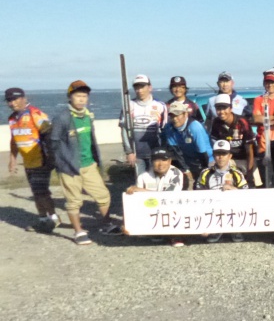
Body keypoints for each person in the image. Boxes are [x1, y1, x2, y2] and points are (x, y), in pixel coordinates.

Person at [50, 80, 118, 245]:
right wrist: (62, 163)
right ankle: (78, 231)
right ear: (70, 97)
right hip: (70, 167)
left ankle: (106, 224)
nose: (81, 99)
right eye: (78, 96)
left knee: (103, 195)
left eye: (84, 96)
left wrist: (95, 161)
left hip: (89, 165)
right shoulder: (62, 117)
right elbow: (53, 142)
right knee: (74, 201)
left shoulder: (88, 116)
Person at [6, 87, 59, 232]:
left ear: (24, 98)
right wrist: (12, 159)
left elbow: (50, 134)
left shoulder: (36, 114)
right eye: (9, 100)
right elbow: (14, 140)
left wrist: (52, 158)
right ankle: (43, 219)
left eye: (15, 99)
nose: (12, 103)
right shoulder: (12, 119)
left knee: (41, 191)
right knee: (36, 191)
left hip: (41, 160)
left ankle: (53, 218)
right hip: (28, 161)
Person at [125, 147, 185, 247]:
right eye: (157, 160)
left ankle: (176, 234)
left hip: (171, 206)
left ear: (170, 161)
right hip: (153, 208)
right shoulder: (143, 176)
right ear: (151, 161)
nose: (160, 164)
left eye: (164, 160)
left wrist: (143, 191)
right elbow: (137, 201)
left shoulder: (176, 173)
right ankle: (155, 231)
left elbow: (169, 196)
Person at [195, 140, 247, 243]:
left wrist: (234, 189)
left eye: (224, 154)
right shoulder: (205, 173)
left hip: (233, 209)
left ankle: (236, 229)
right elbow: (198, 195)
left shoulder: (237, 173)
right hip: (212, 208)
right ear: (213, 155)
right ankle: (215, 228)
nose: (221, 157)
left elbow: (247, 195)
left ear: (230, 156)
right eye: (218, 154)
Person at [120, 74, 168, 176]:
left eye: (142, 87)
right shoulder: (128, 106)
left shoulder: (160, 106)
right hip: (137, 155)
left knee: (156, 180)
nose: (139, 90)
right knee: (141, 182)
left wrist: (164, 153)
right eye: (136, 87)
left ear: (150, 88)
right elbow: (124, 130)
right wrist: (129, 152)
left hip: (155, 154)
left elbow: (165, 130)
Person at [161, 100, 214, 184]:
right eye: (172, 116)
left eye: (177, 115)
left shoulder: (194, 127)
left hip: (207, 159)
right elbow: (176, 151)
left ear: (185, 114)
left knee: (205, 182)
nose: (175, 119)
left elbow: (203, 152)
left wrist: (204, 171)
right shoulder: (169, 128)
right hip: (188, 161)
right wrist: (186, 169)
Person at [209, 93, 256, 186]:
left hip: (244, 159)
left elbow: (250, 151)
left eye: (224, 108)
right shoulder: (216, 123)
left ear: (231, 108)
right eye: (218, 108)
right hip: (227, 160)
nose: (221, 112)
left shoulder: (242, 123)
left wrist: (249, 175)